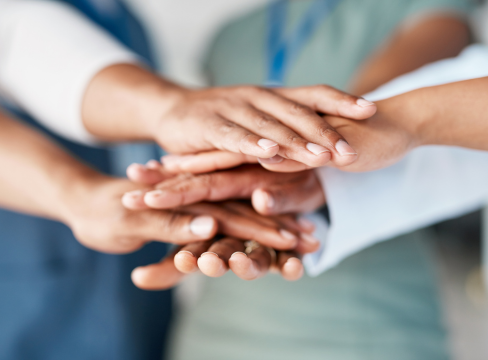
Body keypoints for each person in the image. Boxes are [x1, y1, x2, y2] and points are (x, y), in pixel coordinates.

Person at [118, 1, 484, 359]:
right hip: (222, 319)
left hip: (365, 321)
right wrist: (213, 183)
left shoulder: (423, 7)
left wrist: (312, 148)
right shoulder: (230, 35)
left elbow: (374, 106)